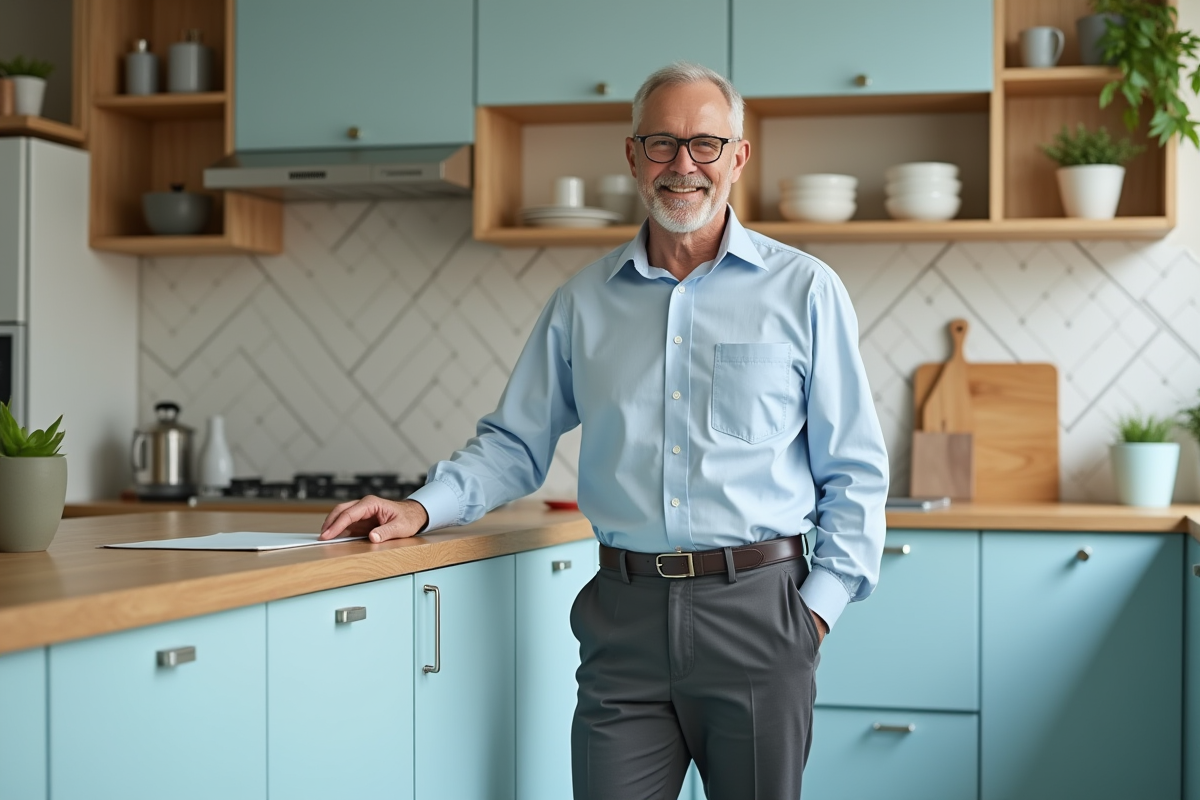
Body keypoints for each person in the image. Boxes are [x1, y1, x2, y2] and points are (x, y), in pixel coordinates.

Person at [320, 61, 889, 800]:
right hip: (622, 619)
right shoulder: (582, 302)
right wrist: (422, 506)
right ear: (631, 156)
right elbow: (514, 443)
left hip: (761, 614)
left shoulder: (805, 289)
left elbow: (855, 470)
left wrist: (814, 614)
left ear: (739, 158)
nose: (683, 165)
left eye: (706, 144)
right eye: (661, 143)